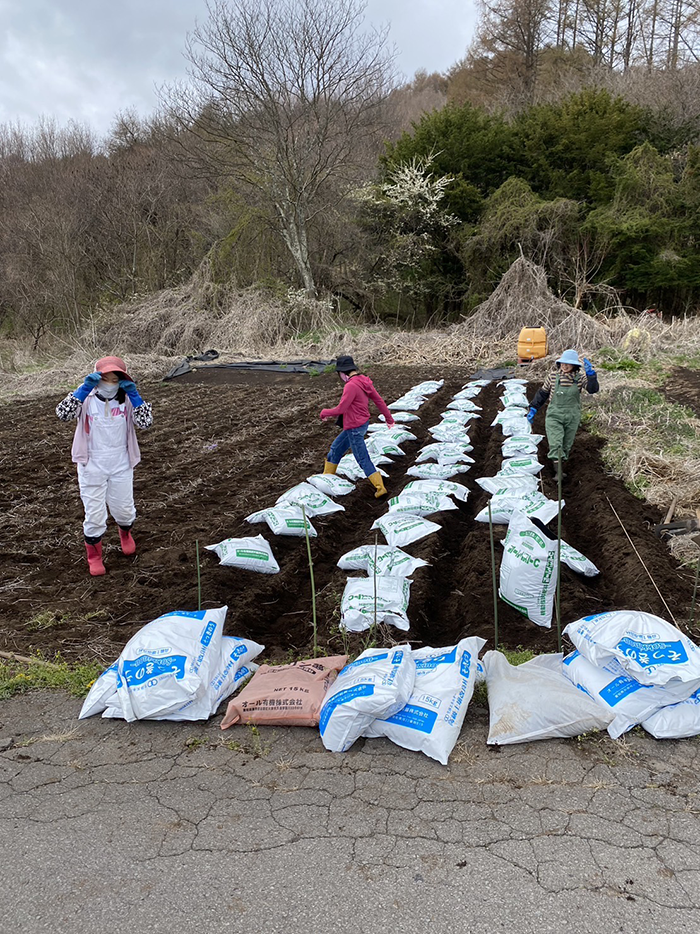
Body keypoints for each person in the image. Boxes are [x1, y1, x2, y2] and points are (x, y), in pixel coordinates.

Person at [56, 356, 153, 576]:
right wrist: (82, 389)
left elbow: (146, 422)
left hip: (121, 463)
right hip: (92, 465)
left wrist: (136, 396)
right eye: (105, 375)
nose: (110, 380)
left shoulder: (127, 400)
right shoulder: (86, 399)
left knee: (125, 511)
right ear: (97, 377)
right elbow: (63, 414)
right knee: (95, 515)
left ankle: (125, 532)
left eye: (116, 375)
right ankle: (94, 556)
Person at [319, 355, 395, 498]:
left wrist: (324, 412)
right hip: (360, 425)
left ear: (342, 372)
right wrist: (389, 418)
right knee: (335, 448)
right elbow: (379, 400)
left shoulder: (351, 386)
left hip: (354, 428)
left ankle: (380, 488)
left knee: (362, 458)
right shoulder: (364, 381)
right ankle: (326, 479)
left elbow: (341, 409)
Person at [527, 349, 598, 476]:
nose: (564, 366)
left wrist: (591, 376)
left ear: (574, 365)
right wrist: (533, 408)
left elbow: (593, 390)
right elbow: (543, 394)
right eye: (562, 363)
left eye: (568, 364)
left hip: (572, 416)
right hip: (554, 415)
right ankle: (558, 474)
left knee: (566, 446)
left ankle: (561, 468)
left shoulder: (580, 378)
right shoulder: (553, 377)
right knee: (556, 444)